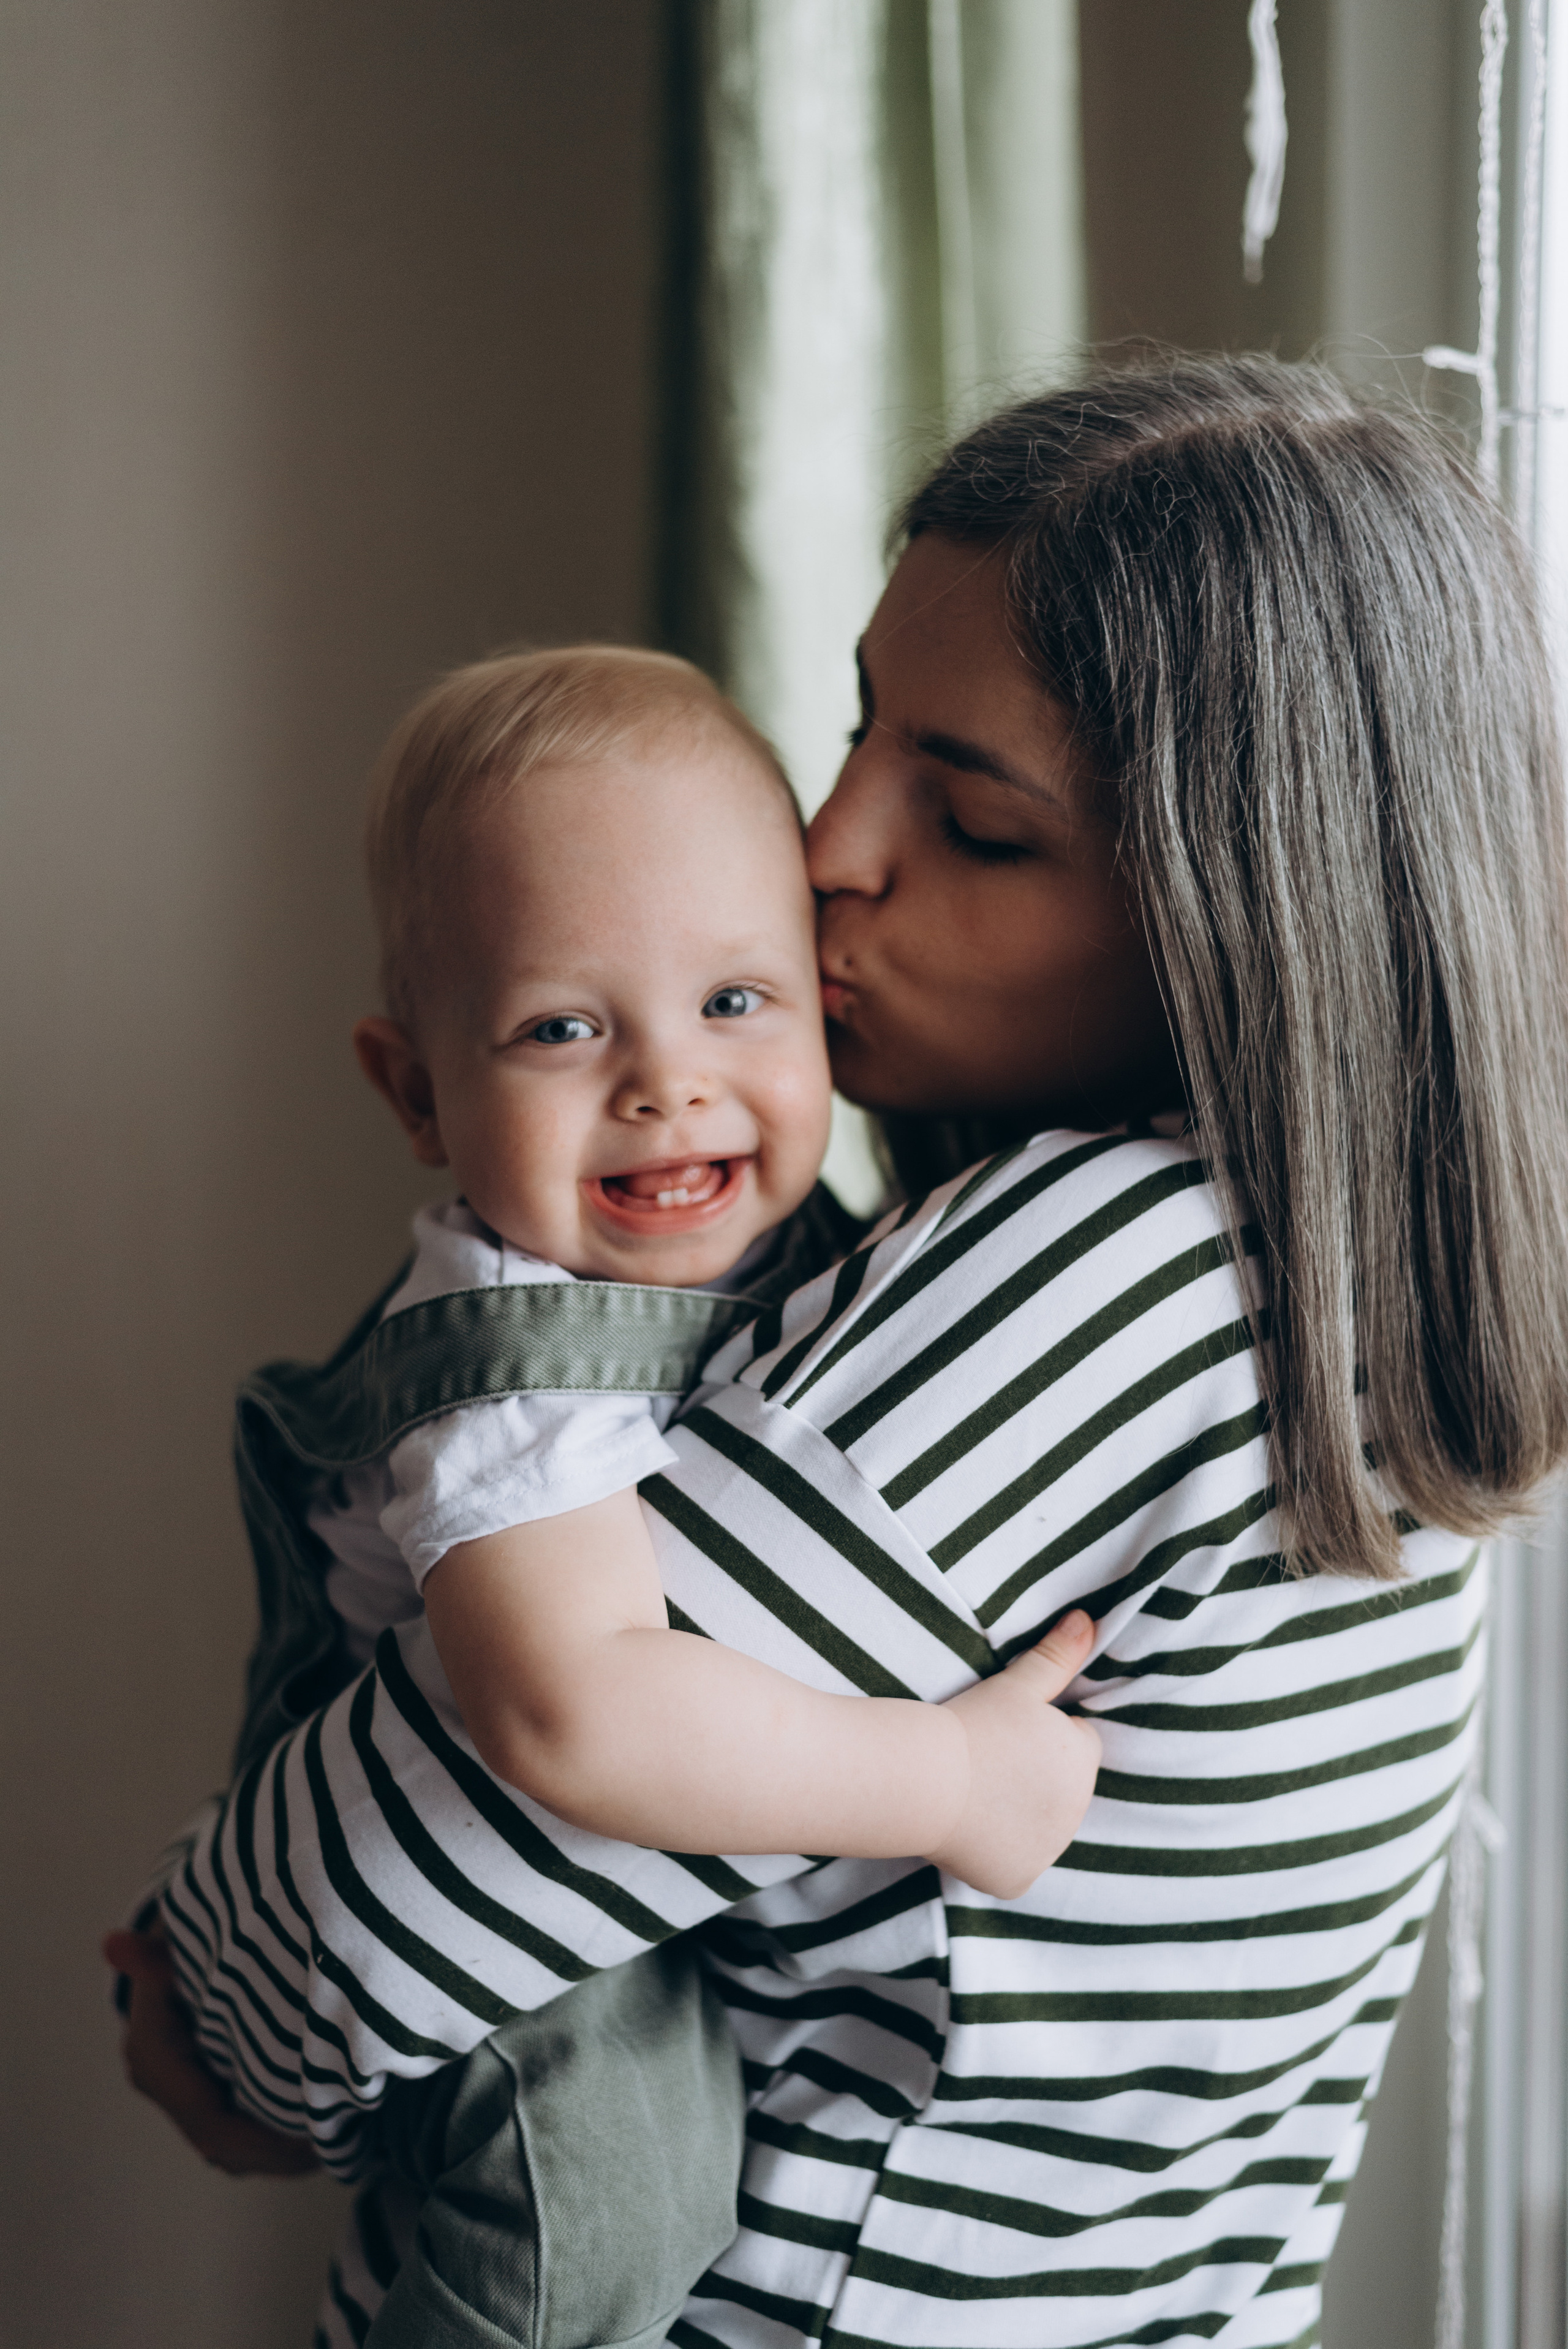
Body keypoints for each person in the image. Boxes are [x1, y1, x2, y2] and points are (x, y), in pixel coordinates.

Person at [109, 354, 1568, 2349]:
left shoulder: (1104, 1281)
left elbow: (408, 1882)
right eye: (859, 726)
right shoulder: (1341, 1290)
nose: (826, 848)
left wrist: (199, 1998)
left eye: (967, 820)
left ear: (1240, 913)